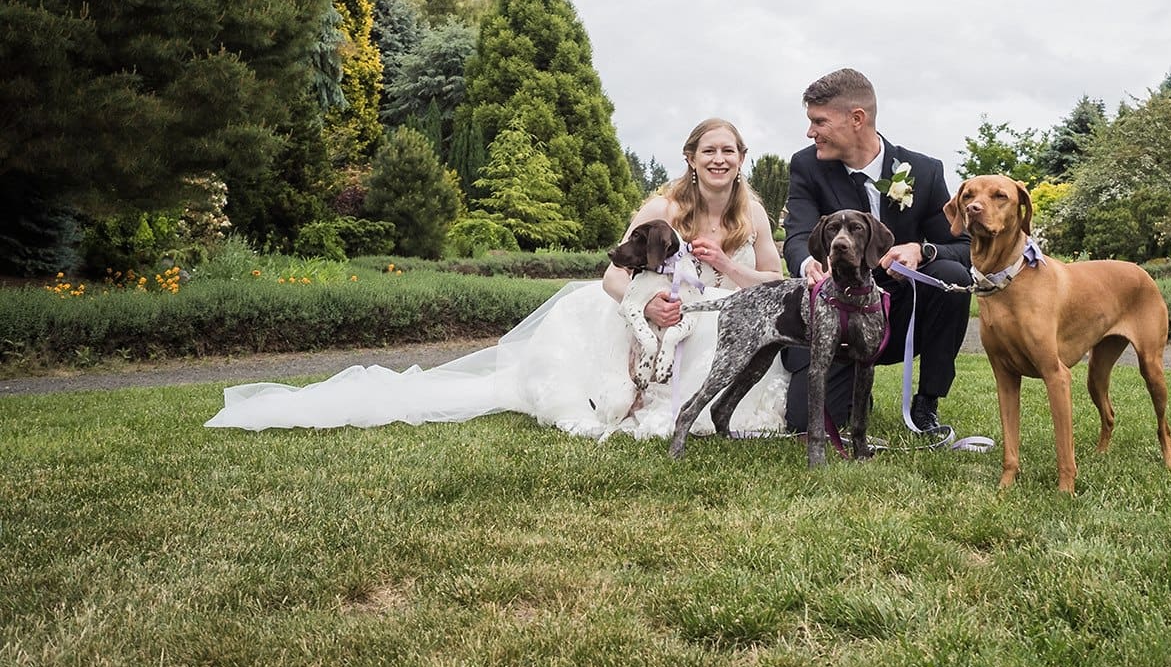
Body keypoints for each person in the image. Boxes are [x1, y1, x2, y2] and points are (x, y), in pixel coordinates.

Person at [206, 118, 790, 437]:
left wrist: (727, 268)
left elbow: (772, 285)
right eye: (709, 150)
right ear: (691, 158)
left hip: (716, 319)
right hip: (653, 318)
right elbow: (614, 278)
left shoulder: (753, 212)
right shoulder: (662, 210)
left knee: (732, 335)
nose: (720, 160)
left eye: (730, 151)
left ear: (741, 160)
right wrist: (650, 304)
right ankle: (626, 397)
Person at [781, 68, 971, 437]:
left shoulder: (925, 171)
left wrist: (920, 249)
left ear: (857, 119)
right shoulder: (806, 166)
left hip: (896, 317)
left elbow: (963, 248)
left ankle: (927, 404)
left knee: (952, 276)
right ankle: (852, 388)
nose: (810, 132)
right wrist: (808, 264)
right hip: (833, 315)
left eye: (819, 121)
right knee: (806, 424)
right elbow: (798, 233)